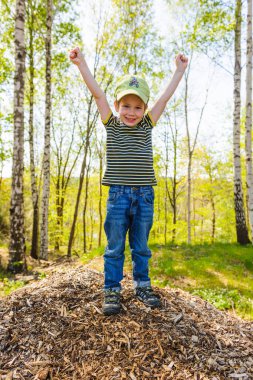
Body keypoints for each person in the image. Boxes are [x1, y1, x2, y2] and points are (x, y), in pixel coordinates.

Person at [69, 46, 188, 315]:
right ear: (117, 106)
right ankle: (111, 290)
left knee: (141, 246)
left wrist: (178, 71)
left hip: (145, 195)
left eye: (137, 107)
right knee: (113, 247)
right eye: (126, 106)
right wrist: (82, 64)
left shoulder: (147, 125)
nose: (131, 112)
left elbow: (165, 99)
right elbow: (97, 92)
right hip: (118, 196)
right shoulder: (111, 124)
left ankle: (142, 286)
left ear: (145, 108)